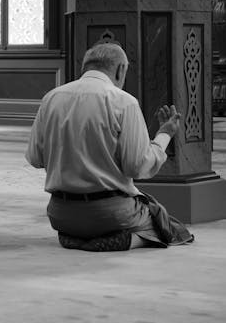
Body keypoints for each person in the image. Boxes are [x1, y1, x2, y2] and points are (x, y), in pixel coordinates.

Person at [26, 41, 194, 251]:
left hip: (60, 214)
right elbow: (138, 166)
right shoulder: (124, 102)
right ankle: (126, 240)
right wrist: (164, 134)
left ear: (85, 67)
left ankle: (77, 237)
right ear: (121, 69)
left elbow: (35, 158)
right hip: (111, 215)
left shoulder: (51, 98)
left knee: (149, 216)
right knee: (168, 227)